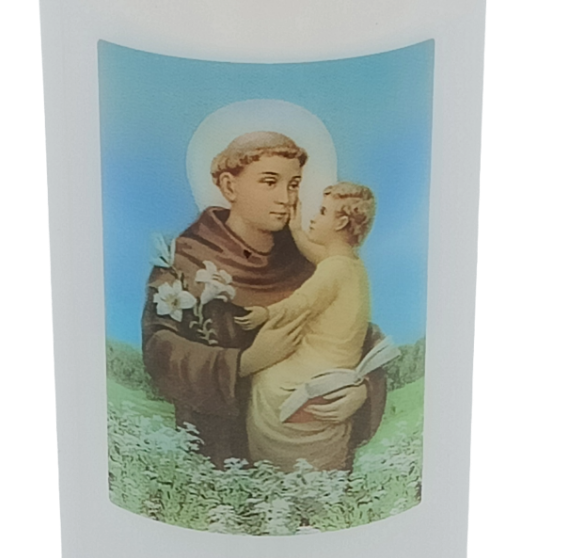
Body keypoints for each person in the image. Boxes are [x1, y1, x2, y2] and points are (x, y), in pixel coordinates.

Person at [141, 133, 387, 469]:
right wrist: (245, 362)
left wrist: (361, 389)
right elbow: (160, 349)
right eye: (270, 182)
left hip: (310, 447)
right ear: (230, 187)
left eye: (294, 184)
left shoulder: (308, 259)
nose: (286, 198)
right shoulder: (185, 260)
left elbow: (354, 329)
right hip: (220, 457)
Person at [237, 183, 377, 473]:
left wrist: (266, 313)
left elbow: (302, 302)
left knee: (268, 382)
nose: (315, 217)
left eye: (322, 212)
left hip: (317, 367)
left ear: (340, 222)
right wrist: (297, 230)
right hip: (337, 363)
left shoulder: (334, 270)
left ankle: (274, 467)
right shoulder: (350, 264)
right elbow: (318, 256)